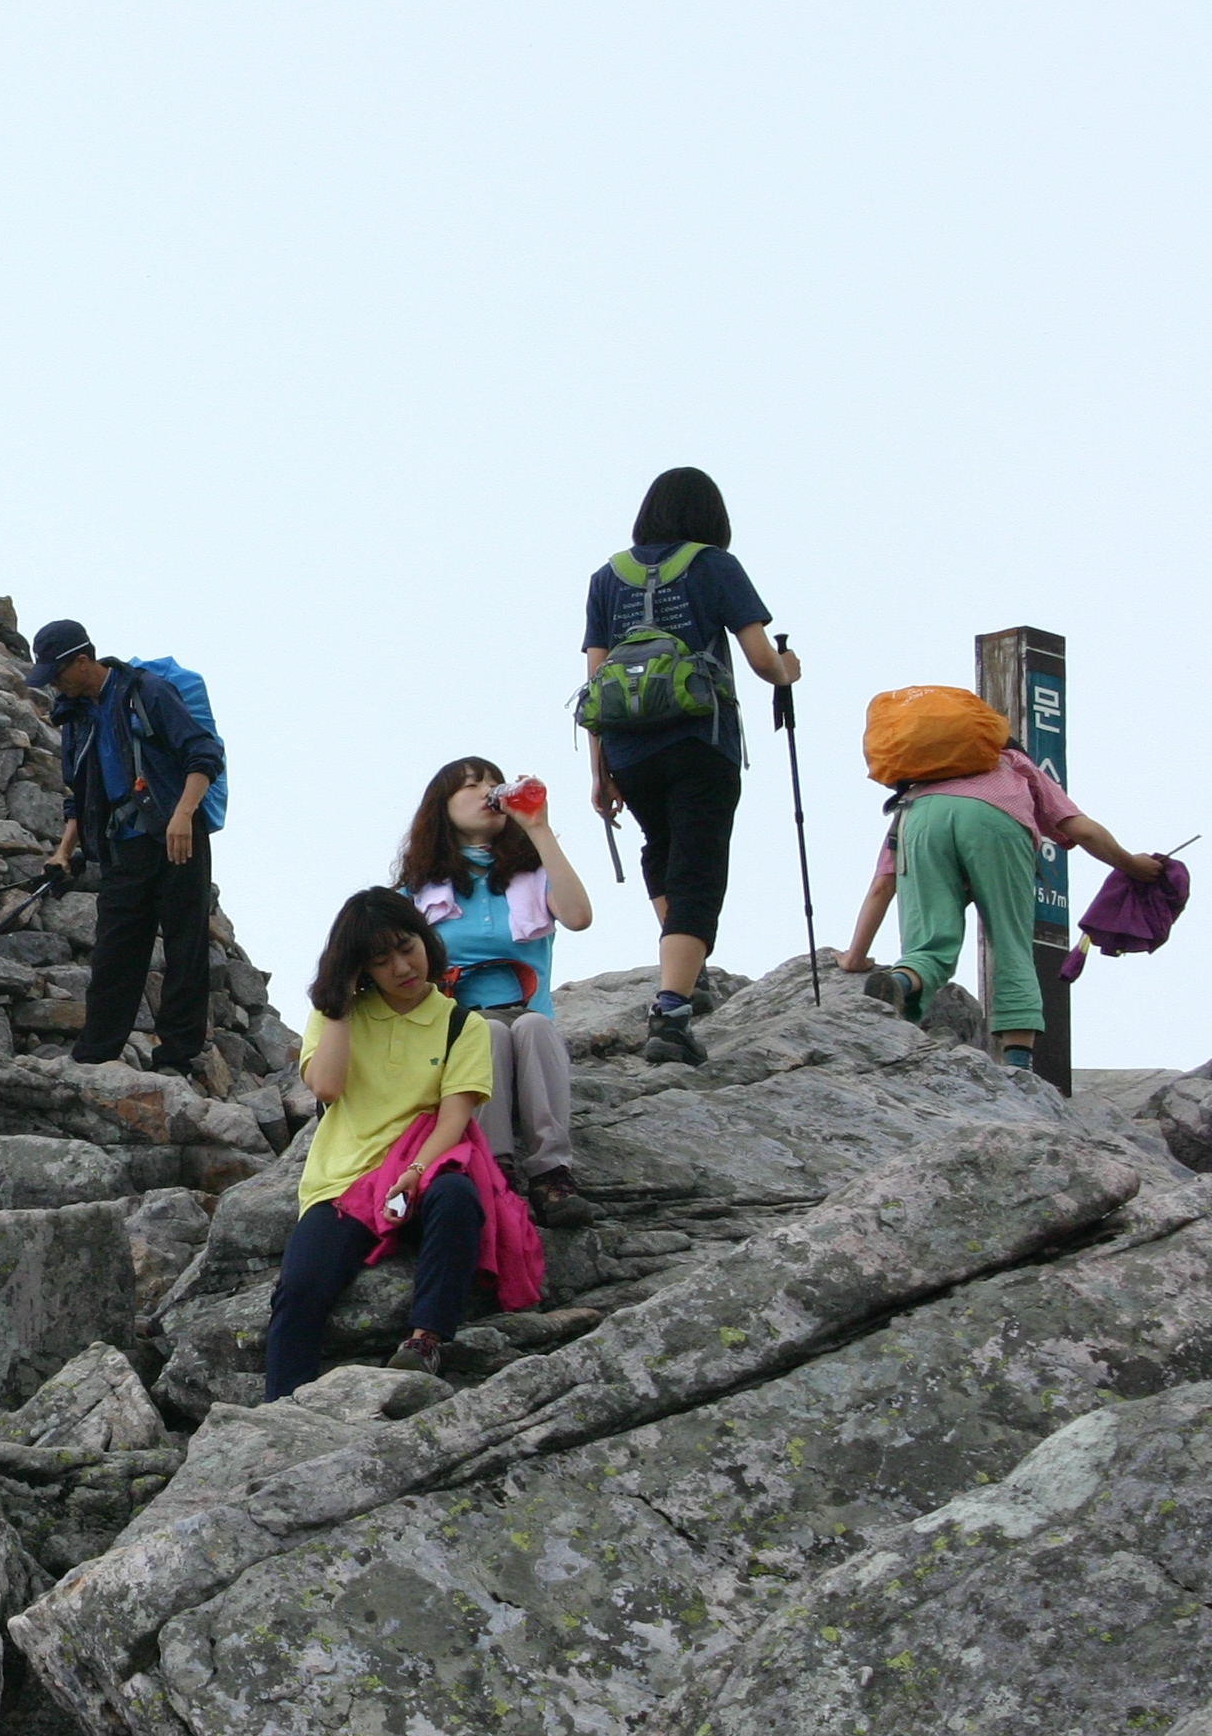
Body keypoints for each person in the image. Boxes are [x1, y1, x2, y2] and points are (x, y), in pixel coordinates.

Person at [265, 889, 541, 1400]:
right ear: (359, 968)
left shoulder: (464, 1024)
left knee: (457, 1198)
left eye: (406, 946)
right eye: (379, 959)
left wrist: (415, 1171)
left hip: (422, 1170)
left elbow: (453, 1119)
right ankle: (280, 1409)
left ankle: (425, 1339)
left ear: (425, 938)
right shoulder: (335, 1015)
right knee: (299, 1290)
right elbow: (325, 1088)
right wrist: (341, 1004)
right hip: (343, 1182)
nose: (401, 967)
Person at [582, 467, 801, 1067]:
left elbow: (596, 682)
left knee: (662, 846)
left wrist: (600, 773)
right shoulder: (713, 565)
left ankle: (685, 967)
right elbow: (761, 660)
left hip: (628, 745)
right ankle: (672, 1010)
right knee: (700, 868)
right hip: (700, 739)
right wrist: (791, 671)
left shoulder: (608, 577)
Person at [836, 746, 1162, 1072]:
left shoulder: (916, 795)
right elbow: (1083, 830)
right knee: (1011, 944)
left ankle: (900, 982)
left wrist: (855, 957)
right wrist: (1132, 865)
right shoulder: (1011, 763)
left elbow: (882, 887)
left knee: (929, 944)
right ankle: (1018, 1067)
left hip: (922, 823)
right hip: (996, 821)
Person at [400, 760, 602, 1228]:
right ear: (442, 808)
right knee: (485, 1029)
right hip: (457, 1024)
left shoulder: (529, 874)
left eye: (494, 784)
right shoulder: (420, 889)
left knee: (533, 1026)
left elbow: (578, 916)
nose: (489, 793)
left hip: (530, 1013)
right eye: (472, 787)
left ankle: (553, 1173)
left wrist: (539, 829)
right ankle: (497, 1168)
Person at [29, 618, 228, 1077]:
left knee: (185, 944)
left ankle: (176, 1059)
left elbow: (202, 753)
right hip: (123, 844)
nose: (54, 684)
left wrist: (183, 815)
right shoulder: (74, 716)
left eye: (57, 673)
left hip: (177, 834)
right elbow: (80, 794)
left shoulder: (148, 692)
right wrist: (63, 852)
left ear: (83, 661)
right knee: (115, 950)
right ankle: (96, 1055)